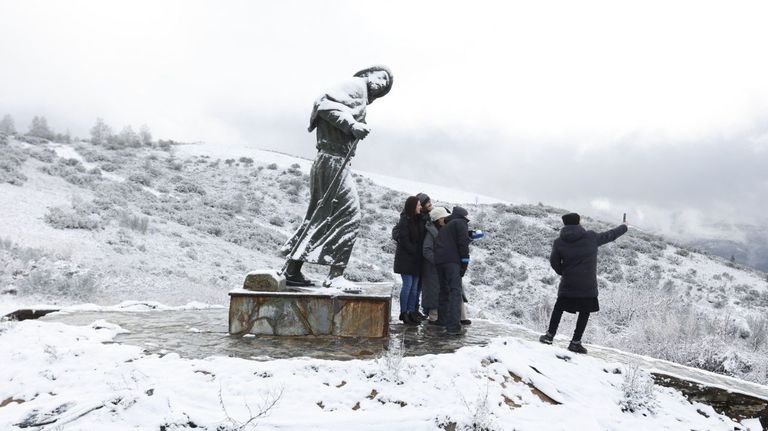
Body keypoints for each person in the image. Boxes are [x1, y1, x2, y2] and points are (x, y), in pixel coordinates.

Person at [281, 66, 393, 287]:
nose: (382, 84)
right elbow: (324, 105)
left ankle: (292, 270)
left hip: (334, 160)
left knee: (321, 214)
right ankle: (335, 276)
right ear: (366, 74)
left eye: (385, 85)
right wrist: (352, 125)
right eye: (381, 77)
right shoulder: (355, 86)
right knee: (350, 215)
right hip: (332, 159)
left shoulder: (358, 94)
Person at [539, 212, 629, 354]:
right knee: (584, 312)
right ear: (578, 222)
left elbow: (554, 262)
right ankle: (575, 343)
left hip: (568, 283)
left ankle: (549, 336)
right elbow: (610, 235)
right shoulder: (591, 237)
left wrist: (565, 272)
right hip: (587, 284)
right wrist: (624, 227)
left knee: (559, 308)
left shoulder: (559, 242)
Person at [434, 206, 472, 336]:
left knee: (444, 291)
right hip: (452, 262)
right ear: (463, 215)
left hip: (440, 261)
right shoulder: (461, 223)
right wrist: (465, 263)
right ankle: (453, 327)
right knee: (455, 292)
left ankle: (442, 321)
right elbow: (463, 244)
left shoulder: (447, 226)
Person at [393, 196, 426, 324]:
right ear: (413, 206)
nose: (420, 207)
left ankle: (412, 312)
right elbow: (404, 240)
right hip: (406, 259)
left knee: (414, 288)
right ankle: (404, 313)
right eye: (418, 205)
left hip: (417, 259)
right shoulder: (404, 220)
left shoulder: (419, 219)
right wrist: (415, 251)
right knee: (407, 286)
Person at [422, 206, 450, 323]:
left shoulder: (443, 230)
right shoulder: (431, 233)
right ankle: (433, 318)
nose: (446, 220)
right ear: (438, 219)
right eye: (444, 218)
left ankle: (440, 318)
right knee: (434, 293)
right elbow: (426, 250)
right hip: (432, 269)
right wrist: (438, 261)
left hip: (440, 268)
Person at [414, 192, 432, 318]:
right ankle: (413, 309)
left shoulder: (430, 215)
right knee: (415, 286)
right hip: (417, 255)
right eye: (427, 203)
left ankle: (418, 309)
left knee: (421, 286)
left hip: (424, 256)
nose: (430, 204)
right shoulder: (418, 217)